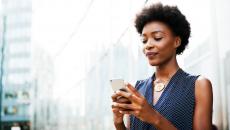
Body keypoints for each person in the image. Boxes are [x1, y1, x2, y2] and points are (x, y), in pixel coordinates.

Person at [111, 2, 213, 130]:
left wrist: (153, 117)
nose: (148, 45)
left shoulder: (198, 85)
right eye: (144, 40)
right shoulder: (138, 88)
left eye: (157, 37)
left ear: (176, 41)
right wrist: (118, 123)